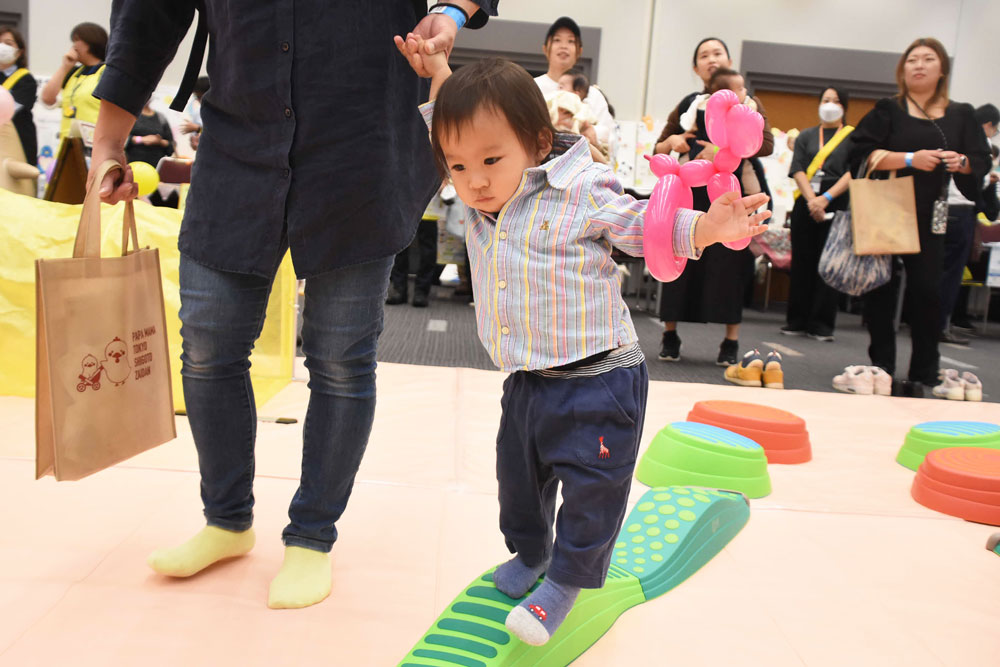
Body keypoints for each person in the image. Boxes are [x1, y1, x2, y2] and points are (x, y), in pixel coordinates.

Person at [90, 0, 497, 610]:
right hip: (238, 140)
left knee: (339, 357)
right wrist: (108, 142)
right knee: (206, 344)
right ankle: (227, 520)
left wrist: (453, 10)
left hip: (361, 144)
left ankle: (312, 535)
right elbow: (147, 18)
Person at [395, 37, 769, 645]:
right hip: (526, 378)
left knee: (592, 494)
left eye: (491, 162)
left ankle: (565, 584)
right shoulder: (481, 172)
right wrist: (440, 71)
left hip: (599, 380)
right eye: (458, 168)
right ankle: (530, 553)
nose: (475, 182)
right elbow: (452, 122)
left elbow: (643, 224)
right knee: (517, 487)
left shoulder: (583, 191)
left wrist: (706, 225)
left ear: (538, 144)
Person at [848, 37, 990, 396]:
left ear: (941, 69)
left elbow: (980, 161)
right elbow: (860, 153)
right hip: (887, 208)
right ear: (903, 68)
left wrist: (961, 162)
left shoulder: (963, 114)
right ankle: (879, 368)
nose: (919, 65)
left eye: (928, 59)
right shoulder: (888, 109)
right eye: (912, 59)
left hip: (934, 214)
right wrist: (911, 158)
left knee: (929, 291)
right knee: (881, 288)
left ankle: (926, 371)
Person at [653, 37, 774, 365]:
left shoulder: (749, 102)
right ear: (696, 68)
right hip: (691, 189)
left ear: (728, 59)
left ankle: (730, 343)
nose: (711, 59)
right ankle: (669, 335)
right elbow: (660, 145)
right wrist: (672, 141)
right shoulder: (689, 103)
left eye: (717, 53)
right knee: (681, 254)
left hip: (730, 187)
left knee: (731, 264)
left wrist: (727, 148)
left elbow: (767, 144)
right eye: (703, 55)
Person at [782, 87, 854, 341]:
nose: (830, 104)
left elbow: (852, 172)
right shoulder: (807, 136)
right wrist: (813, 200)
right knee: (802, 261)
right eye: (825, 100)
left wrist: (826, 198)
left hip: (837, 200)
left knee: (830, 262)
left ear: (844, 106)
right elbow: (798, 168)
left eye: (835, 101)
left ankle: (822, 324)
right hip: (806, 201)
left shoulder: (853, 137)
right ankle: (796, 320)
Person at [937, 102, 999, 343]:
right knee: (952, 272)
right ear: (988, 125)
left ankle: (918, 320)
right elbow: (979, 181)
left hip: (939, 207)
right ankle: (940, 325)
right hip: (962, 210)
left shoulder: (950, 135)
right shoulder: (979, 143)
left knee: (933, 268)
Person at [533, 17, 616, 158]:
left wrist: (591, 131)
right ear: (545, 48)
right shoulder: (533, 87)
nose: (563, 46)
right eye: (557, 40)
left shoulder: (593, 94)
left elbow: (611, 135)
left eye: (571, 41)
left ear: (579, 51)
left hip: (581, 167)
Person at [39, 22, 107, 141]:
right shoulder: (73, 73)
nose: (73, 46)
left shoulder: (105, 72)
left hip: (93, 146)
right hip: (67, 145)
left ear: (90, 42)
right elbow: (47, 99)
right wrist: (65, 67)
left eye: (76, 40)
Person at [124, 99, 176, 206]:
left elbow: (171, 144)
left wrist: (160, 142)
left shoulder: (160, 118)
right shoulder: (129, 115)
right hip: (133, 166)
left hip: (156, 168)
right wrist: (141, 140)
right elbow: (121, 138)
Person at [0, 26, 37, 166]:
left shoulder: (25, 79)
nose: (2, 47)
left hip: (19, 142)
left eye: (8, 43)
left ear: (20, 52)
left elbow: (12, 108)